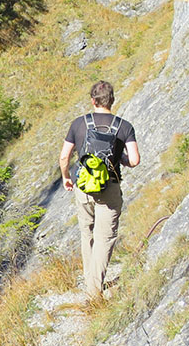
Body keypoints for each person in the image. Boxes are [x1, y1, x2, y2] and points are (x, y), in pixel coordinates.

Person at [58, 80, 140, 298]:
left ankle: (90, 281)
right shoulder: (124, 126)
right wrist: (119, 158)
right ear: (111, 100)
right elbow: (134, 160)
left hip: (84, 187)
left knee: (87, 233)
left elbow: (65, 156)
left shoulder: (79, 124)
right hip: (110, 188)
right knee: (105, 237)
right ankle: (94, 291)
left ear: (93, 100)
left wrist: (67, 177)